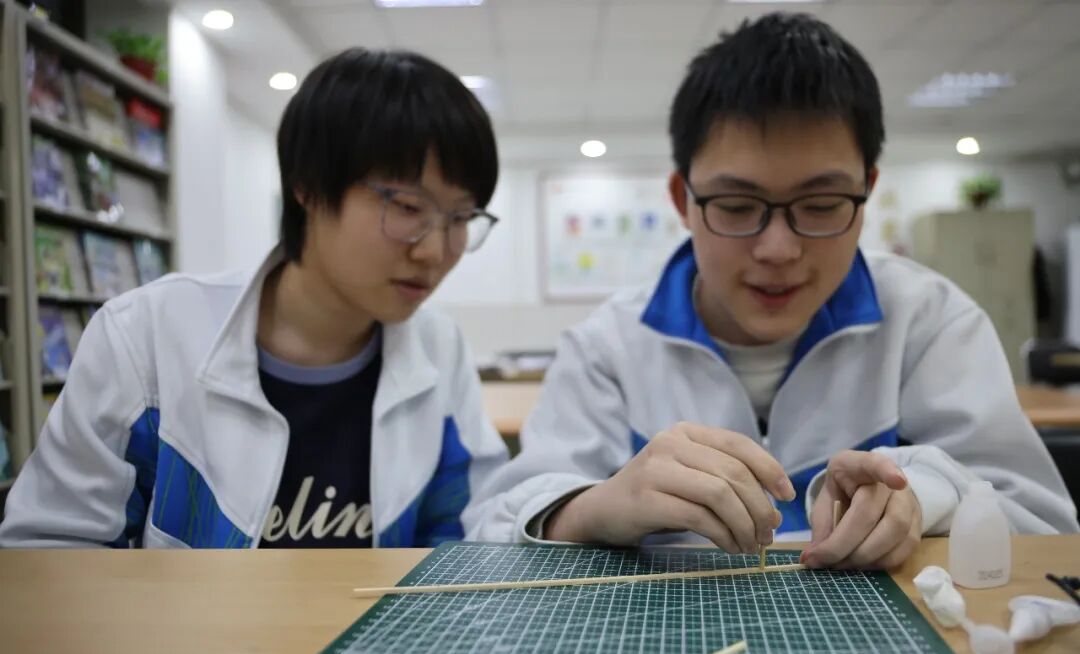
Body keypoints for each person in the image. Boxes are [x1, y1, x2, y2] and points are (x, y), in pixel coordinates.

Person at [463, 13, 1078, 567]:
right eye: (737, 206)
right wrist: (592, 508)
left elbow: (1043, 520)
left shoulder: (928, 321)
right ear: (682, 200)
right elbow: (490, 528)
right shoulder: (609, 346)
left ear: (866, 192)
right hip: (674, 641)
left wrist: (927, 495)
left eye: (821, 204)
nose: (778, 249)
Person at [0, 48, 507, 549]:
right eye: (408, 207)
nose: (435, 251)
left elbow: (470, 528)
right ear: (308, 187)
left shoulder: (439, 348)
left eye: (461, 218)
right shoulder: (147, 338)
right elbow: (52, 551)